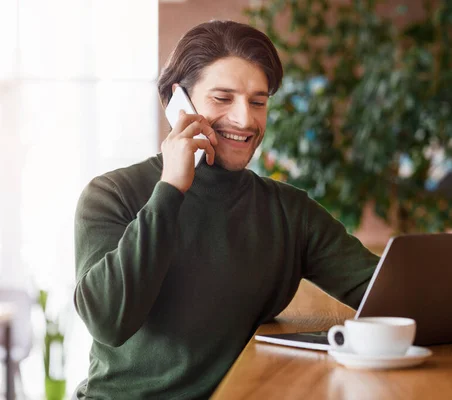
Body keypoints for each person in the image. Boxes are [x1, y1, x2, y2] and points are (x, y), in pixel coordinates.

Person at [73, 20, 378, 399]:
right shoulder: (111, 194)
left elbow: (385, 294)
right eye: (222, 98)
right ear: (177, 101)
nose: (245, 119)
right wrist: (170, 189)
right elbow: (109, 321)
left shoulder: (290, 213)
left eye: (258, 102)